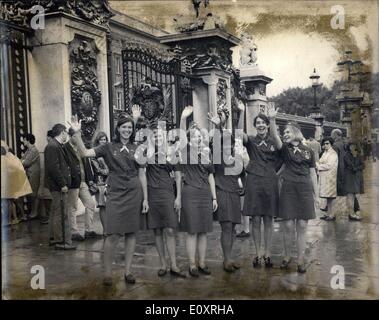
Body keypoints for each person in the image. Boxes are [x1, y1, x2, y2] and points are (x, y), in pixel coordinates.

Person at [69, 114, 148, 286]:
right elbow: (85, 153)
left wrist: (145, 199)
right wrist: (77, 133)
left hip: (134, 193)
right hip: (116, 194)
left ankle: (128, 271)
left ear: (132, 130)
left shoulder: (138, 147)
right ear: (118, 129)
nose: (127, 130)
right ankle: (108, 273)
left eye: (129, 127)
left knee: (131, 233)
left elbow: (142, 174)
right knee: (112, 234)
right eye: (123, 127)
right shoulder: (108, 146)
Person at [269, 110, 318, 274]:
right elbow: (275, 138)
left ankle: (301, 259)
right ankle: (287, 256)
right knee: (289, 225)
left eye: (288, 132)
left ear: (296, 133)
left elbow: (313, 174)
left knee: (302, 225)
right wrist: (272, 118)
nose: (285, 134)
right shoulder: (284, 149)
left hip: (304, 189)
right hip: (289, 188)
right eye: (284, 132)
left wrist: (316, 195)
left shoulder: (309, 150)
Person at [140, 123, 186, 278]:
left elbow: (178, 175)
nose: (158, 138)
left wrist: (178, 196)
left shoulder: (171, 152)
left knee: (170, 229)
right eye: (155, 136)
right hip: (152, 194)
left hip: (167, 193)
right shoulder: (148, 152)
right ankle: (162, 264)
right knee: (157, 230)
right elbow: (141, 172)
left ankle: (173, 264)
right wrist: (145, 198)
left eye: (160, 135)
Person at [237, 101, 280, 268]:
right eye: (258, 123)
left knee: (268, 218)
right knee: (255, 218)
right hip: (254, 181)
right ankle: (257, 254)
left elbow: (278, 144)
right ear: (255, 126)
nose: (260, 125)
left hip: (269, 181)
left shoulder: (274, 140)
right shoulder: (252, 140)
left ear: (268, 125)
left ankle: (268, 254)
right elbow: (240, 135)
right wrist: (241, 113)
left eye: (263, 123)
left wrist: (273, 119)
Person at [179, 106, 218, 277]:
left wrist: (214, 197)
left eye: (199, 136)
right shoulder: (186, 151)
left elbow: (210, 176)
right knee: (192, 230)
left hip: (204, 195)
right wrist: (183, 118)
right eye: (193, 136)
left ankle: (202, 263)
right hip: (190, 193)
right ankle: (192, 264)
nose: (197, 138)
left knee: (203, 231)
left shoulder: (206, 154)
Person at [44, 124, 76, 250]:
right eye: (66, 133)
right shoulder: (53, 146)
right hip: (58, 186)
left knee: (58, 212)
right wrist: (62, 183)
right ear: (62, 132)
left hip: (57, 185)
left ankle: (56, 238)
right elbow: (53, 168)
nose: (67, 136)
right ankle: (61, 240)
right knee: (61, 213)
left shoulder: (55, 145)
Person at [64, 128, 99, 241]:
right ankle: (74, 232)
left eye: (79, 135)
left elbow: (86, 163)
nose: (77, 138)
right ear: (70, 136)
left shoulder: (80, 147)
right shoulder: (65, 148)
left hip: (83, 181)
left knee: (90, 204)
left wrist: (89, 180)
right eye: (75, 136)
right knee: (72, 207)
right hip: (73, 182)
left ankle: (88, 230)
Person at [1, 140, 33, 226]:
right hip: (15, 182)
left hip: (10, 184)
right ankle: (16, 218)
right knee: (14, 201)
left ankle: (11, 219)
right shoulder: (12, 157)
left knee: (10, 202)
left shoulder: (6, 158)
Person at [90, 131, 110, 233]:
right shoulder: (95, 154)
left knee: (111, 206)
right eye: (101, 139)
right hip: (100, 183)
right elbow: (98, 170)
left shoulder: (109, 152)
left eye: (105, 139)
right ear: (97, 141)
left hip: (110, 182)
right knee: (103, 206)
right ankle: (105, 230)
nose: (104, 141)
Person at [317, 137, 338, 221]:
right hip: (325, 177)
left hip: (330, 178)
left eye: (327, 143)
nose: (325, 145)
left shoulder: (333, 153)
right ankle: (328, 213)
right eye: (324, 144)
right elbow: (320, 161)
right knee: (328, 197)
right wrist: (319, 164)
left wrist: (318, 166)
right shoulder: (325, 153)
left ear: (331, 144)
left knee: (331, 197)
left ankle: (332, 215)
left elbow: (329, 165)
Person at [21, 134, 41, 219]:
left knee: (33, 194)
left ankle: (34, 212)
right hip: (29, 174)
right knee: (30, 194)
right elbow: (22, 160)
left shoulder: (33, 150)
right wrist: (23, 161)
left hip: (33, 174)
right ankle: (33, 212)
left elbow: (25, 162)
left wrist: (23, 161)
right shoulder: (29, 150)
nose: (23, 141)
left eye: (24, 140)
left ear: (28, 140)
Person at [344, 143, 364, 221]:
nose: (352, 148)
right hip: (349, 178)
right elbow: (352, 166)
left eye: (354, 146)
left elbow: (363, 165)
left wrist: (357, 167)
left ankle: (353, 213)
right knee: (350, 196)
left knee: (355, 196)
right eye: (351, 146)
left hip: (356, 178)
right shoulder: (346, 156)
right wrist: (355, 158)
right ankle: (351, 214)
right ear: (348, 147)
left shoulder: (358, 155)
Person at [37, 130, 53, 226]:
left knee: (48, 198)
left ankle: (49, 217)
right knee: (47, 198)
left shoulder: (49, 147)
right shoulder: (51, 147)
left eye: (47, 136)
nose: (46, 138)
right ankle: (49, 217)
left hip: (48, 179)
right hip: (48, 178)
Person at [331, 129, 346, 197]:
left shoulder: (335, 145)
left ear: (335, 135)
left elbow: (334, 159)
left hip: (338, 167)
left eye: (332, 134)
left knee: (339, 186)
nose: (331, 135)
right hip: (344, 166)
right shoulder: (344, 143)